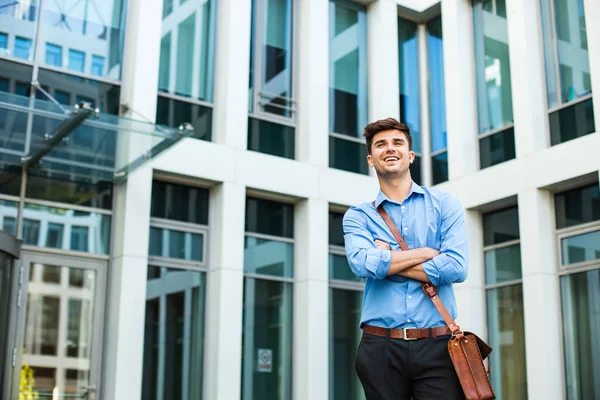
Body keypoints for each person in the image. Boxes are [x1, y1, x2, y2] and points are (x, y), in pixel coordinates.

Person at [343, 117, 468, 399]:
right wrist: (424, 254)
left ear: (410, 156)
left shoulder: (445, 205)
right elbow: (361, 264)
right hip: (380, 348)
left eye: (397, 143)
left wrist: (387, 260)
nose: (390, 149)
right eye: (380, 145)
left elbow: (457, 267)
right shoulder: (359, 216)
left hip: (439, 345)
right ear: (370, 159)